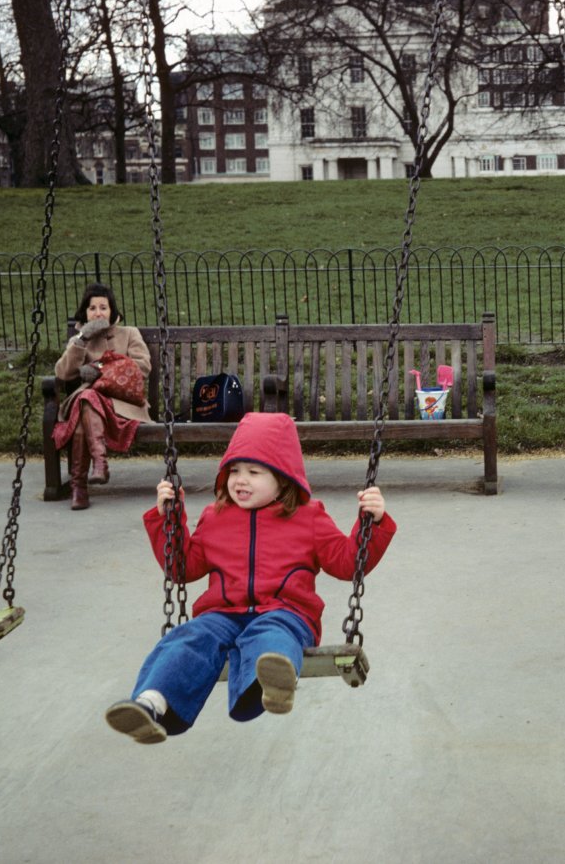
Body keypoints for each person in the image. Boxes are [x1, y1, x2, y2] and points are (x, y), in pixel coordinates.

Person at [105, 412, 398, 744]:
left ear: (284, 478)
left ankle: (275, 683)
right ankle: (151, 705)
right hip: (222, 614)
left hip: (286, 611)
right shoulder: (215, 518)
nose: (240, 480)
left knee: (271, 632)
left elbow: (347, 563)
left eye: (254, 472)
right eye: (234, 471)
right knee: (190, 637)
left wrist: (371, 523)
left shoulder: (309, 518)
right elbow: (182, 568)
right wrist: (168, 520)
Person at [51, 282, 152, 510]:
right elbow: (63, 373)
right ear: (85, 313)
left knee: (84, 405)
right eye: (92, 308)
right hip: (89, 403)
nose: (98, 312)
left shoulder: (128, 334)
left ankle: (80, 487)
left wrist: (99, 369)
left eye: (103, 307)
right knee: (87, 399)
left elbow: (142, 367)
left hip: (122, 404)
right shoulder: (79, 340)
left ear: (112, 311)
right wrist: (81, 341)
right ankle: (98, 465)